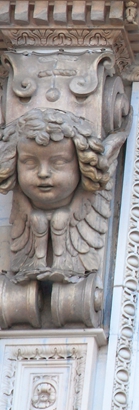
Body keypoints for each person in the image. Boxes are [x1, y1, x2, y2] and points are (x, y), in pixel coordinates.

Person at [0, 108, 126, 282]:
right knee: (37, 219)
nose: (43, 173)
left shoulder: (84, 195)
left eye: (58, 162)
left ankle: (62, 263)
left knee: (60, 218)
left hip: (74, 252)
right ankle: (36, 263)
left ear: (82, 165)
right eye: (29, 162)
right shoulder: (23, 199)